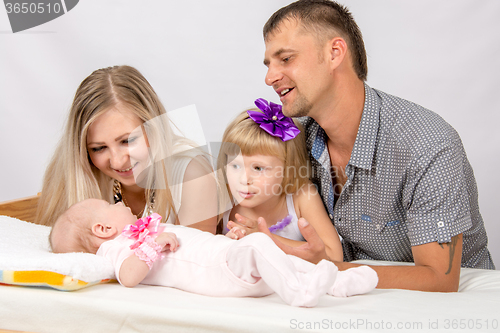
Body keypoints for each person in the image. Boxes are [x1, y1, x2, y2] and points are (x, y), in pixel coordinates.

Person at [229, 0, 495, 292]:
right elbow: (230, 180)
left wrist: (327, 267)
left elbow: (439, 279)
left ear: (334, 53)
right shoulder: (294, 138)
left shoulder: (427, 144)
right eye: (269, 64)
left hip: (449, 307)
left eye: (286, 59)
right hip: (345, 301)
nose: (270, 78)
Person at [49, 198, 379, 307]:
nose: (120, 203)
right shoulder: (116, 248)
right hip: (218, 273)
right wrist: (153, 243)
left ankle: (337, 283)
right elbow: (129, 277)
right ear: (103, 231)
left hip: (222, 257)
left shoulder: (135, 233)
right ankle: (302, 292)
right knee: (261, 245)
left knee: (271, 254)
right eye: (111, 205)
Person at [35, 65, 218, 233]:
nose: (117, 161)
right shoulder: (73, 177)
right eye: (99, 148)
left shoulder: (191, 174)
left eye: (126, 141)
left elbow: (195, 262)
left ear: (153, 127)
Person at [218, 98, 343, 262]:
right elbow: (198, 246)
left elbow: (335, 256)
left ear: (288, 169)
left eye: (258, 168)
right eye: (235, 166)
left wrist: (263, 237)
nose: (244, 179)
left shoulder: (301, 195)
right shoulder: (221, 197)